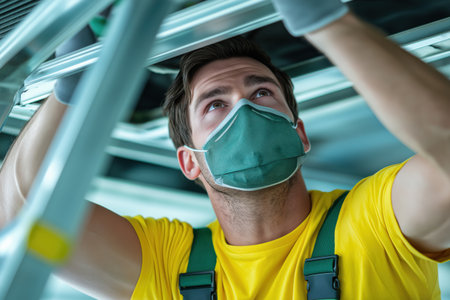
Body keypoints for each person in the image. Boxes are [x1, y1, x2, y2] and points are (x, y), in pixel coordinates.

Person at [0, 0, 449, 299]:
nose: (244, 112)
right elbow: (18, 217)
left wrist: (325, 22)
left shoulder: (372, 225)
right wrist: (72, 92)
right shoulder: (168, 265)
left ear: (301, 134)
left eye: (261, 95)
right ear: (188, 161)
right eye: (216, 103)